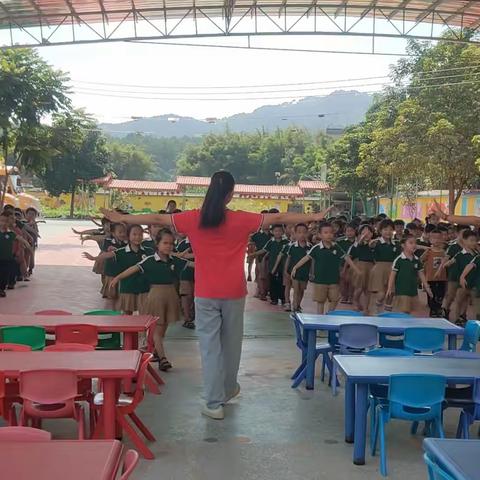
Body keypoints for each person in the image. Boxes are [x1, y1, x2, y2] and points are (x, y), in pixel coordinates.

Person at [101, 170, 332, 420]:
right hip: (233, 292)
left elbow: (158, 217)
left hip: (206, 292)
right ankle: (228, 389)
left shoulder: (193, 219)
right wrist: (316, 216)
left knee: (210, 348)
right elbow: (283, 216)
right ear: (230, 195)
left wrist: (121, 218)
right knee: (232, 345)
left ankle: (213, 403)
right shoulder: (242, 220)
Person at [110, 228, 192, 371]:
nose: (168, 246)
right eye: (165, 243)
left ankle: (155, 352)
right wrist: (117, 278)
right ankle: (163, 358)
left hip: (171, 296)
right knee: (157, 330)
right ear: (157, 244)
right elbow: (133, 269)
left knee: (163, 328)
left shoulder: (175, 260)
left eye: (171, 244)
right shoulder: (149, 261)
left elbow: (193, 264)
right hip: (156, 296)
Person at [291, 222, 359, 314]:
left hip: (334, 280)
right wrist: (295, 267)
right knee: (320, 301)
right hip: (320, 280)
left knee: (335, 299)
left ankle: (329, 315)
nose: (329, 235)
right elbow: (306, 258)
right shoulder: (316, 248)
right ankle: (320, 318)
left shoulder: (336, 247)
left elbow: (346, 257)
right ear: (320, 235)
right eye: (325, 233)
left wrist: (356, 269)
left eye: (331, 232)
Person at [83, 224, 152, 315]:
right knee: (127, 314)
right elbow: (108, 254)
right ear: (128, 236)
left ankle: (144, 329)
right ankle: (126, 329)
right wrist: (94, 258)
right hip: (127, 287)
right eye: (134, 234)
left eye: (140, 234)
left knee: (145, 314)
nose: (137, 237)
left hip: (144, 288)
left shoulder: (149, 251)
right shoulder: (122, 251)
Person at [386, 234, 432, 314]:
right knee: (404, 311)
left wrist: (427, 287)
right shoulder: (399, 260)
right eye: (411, 243)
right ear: (403, 245)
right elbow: (392, 275)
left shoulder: (417, 260)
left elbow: (421, 274)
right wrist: (389, 288)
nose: (414, 245)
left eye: (415, 243)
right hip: (402, 291)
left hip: (413, 291)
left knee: (411, 311)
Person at [368, 219, 401, 314]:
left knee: (391, 292)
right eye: (385, 229)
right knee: (381, 293)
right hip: (379, 269)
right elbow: (370, 245)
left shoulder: (396, 244)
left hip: (393, 269)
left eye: (391, 229)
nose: (388, 232)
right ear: (380, 231)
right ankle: (377, 308)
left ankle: (387, 313)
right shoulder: (376, 242)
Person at [251, 224, 289, 306]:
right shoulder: (271, 242)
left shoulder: (287, 243)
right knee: (272, 282)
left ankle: (283, 299)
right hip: (272, 266)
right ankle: (274, 299)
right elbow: (263, 250)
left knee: (282, 283)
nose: (278, 233)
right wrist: (253, 254)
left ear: (283, 232)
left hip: (283, 267)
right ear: (272, 232)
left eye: (279, 231)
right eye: (276, 231)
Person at [283, 223, 311, 312]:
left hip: (305, 272)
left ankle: (298, 304)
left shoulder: (310, 247)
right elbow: (288, 258)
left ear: (307, 233)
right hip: (294, 272)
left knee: (302, 289)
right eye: (299, 232)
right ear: (295, 233)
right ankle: (294, 306)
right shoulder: (292, 247)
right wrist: (285, 270)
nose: (302, 234)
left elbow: (312, 260)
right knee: (296, 289)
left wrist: (312, 272)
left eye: (304, 232)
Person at [420, 228, 447, 317]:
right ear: (430, 239)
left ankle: (438, 308)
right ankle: (433, 310)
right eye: (434, 238)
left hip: (442, 278)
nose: (436, 240)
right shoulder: (429, 251)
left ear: (442, 239)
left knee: (440, 294)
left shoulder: (444, 252)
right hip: (430, 277)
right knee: (431, 294)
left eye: (439, 238)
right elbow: (421, 260)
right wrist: (426, 251)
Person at [348, 224, 375, 311]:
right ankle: (355, 301)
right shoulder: (358, 244)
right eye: (363, 232)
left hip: (371, 267)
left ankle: (366, 307)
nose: (366, 234)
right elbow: (358, 246)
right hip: (360, 266)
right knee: (359, 288)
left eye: (369, 232)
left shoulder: (374, 243)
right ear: (359, 234)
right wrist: (362, 238)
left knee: (368, 289)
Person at [176, 235, 196, 329]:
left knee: (196, 297)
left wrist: (189, 256)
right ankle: (187, 319)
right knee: (186, 296)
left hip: (199, 275)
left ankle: (194, 316)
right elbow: (176, 256)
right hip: (184, 274)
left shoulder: (201, 241)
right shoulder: (182, 244)